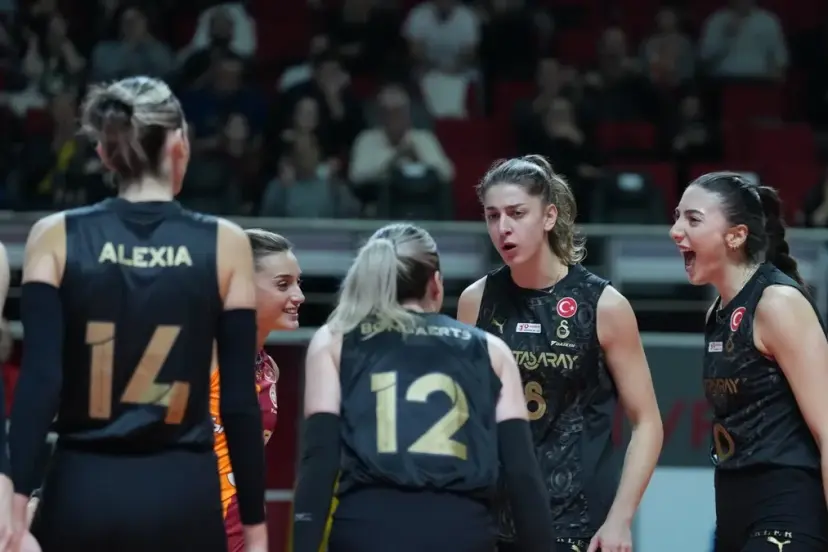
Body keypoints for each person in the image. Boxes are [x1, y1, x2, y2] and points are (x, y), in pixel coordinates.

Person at [7, 76, 268, 552]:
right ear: (179, 143)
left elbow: (40, 382)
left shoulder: (55, 234)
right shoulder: (225, 242)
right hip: (183, 494)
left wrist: (16, 501)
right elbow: (238, 403)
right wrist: (255, 527)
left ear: (105, 154)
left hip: (83, 488)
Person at [291, 223, 556, 552]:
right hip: (461, 533)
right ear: (435, 283)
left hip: (367, 530)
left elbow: (318, 462)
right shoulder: (491, 350)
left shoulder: (335, 340)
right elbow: (522, 475)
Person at [458, 155, 664, 552]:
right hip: (494, 522)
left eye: (517, 213)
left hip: (578, 522)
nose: (503, 228)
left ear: (549, 216)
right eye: (492, 216)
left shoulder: (604, 305)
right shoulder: (475, 301)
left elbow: (648, 423)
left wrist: (620, 520)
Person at [670, 172, 828, 552]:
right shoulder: (717, 311)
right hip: (733, 509)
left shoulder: (777, 303)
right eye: (676, 217)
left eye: (693, 219)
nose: (675, 231)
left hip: (788, 509)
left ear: (736, 235)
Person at [213, 228, 304, 552]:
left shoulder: (269, 368)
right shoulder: (203, 353)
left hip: (241, 531)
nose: (299, 296)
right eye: (283, 284)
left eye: (299, 283)